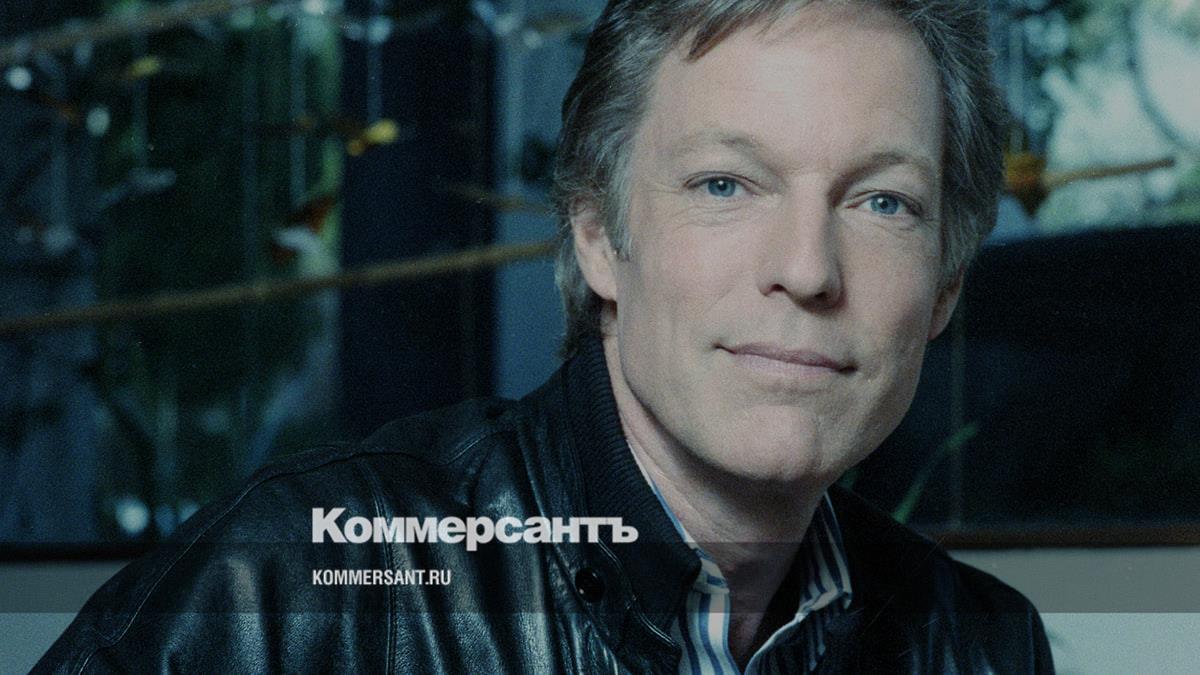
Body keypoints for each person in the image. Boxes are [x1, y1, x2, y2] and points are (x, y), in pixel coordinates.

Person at [37, 0, 1053, 672]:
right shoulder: (299, 585)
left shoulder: (980, 644)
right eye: (725, 184)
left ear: (945, 285)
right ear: (600, 237)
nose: (808, 268)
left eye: (882, 202)